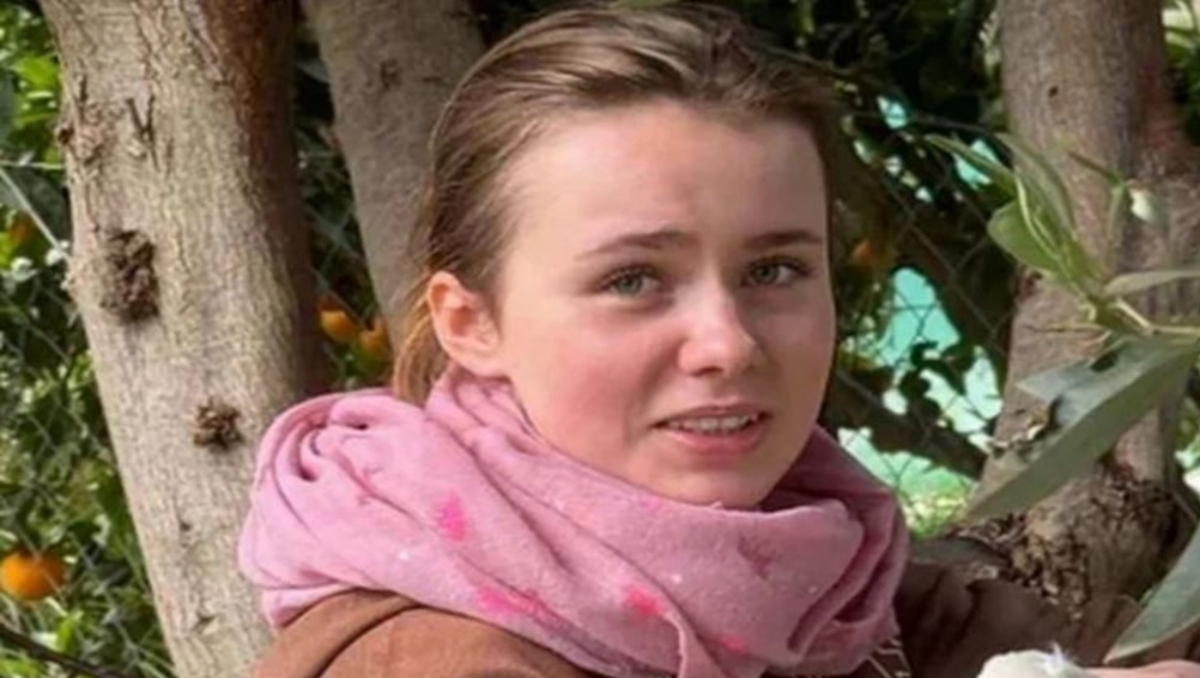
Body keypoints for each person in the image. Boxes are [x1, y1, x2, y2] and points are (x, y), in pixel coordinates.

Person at [237, 3, 1200, 678]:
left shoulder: (800, 563)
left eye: (774, 270)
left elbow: (1041, 642)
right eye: (632, 280)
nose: (727, 345)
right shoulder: (433, 659)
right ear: (470, 322)